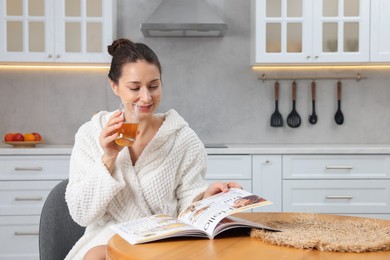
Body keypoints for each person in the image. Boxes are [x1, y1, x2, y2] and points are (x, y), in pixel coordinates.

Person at [64, 38, 241, 260]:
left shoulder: (183, 139)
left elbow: (188, 209)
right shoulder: (90, 135)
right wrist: (108, 157)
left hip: (164, 241)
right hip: (107, 240)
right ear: (114, 86)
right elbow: (81, 214)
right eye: (135, 87)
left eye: (154, 86)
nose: (146, 97)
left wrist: (208, 197)